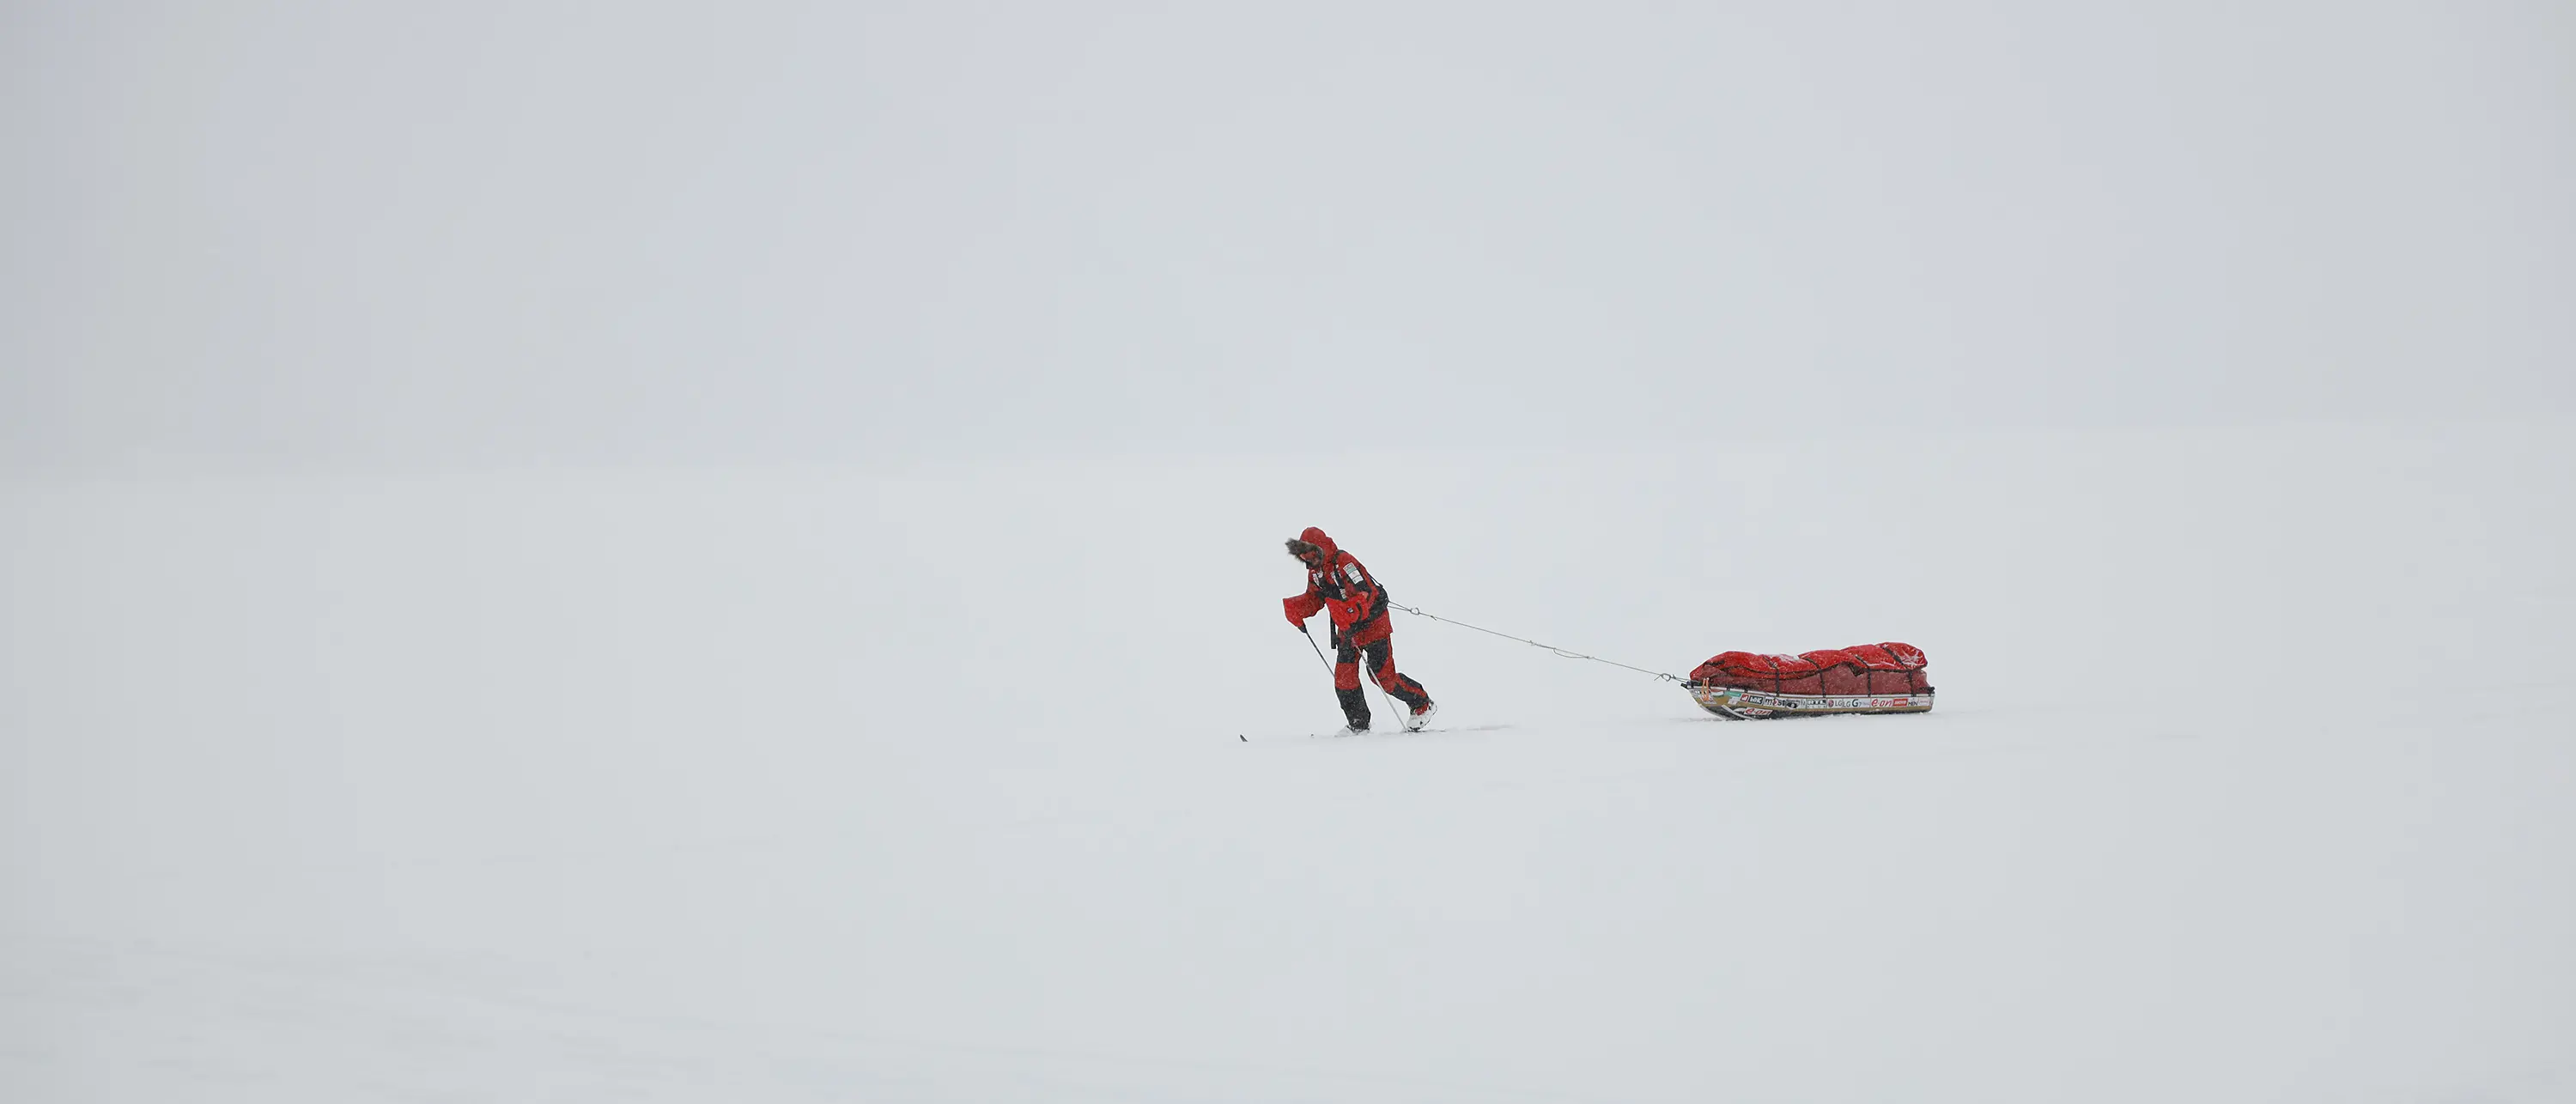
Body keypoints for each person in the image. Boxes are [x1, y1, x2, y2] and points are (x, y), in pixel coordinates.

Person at [1283, 526, 1436, 733]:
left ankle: (1422, 704)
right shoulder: (1315, 574)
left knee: (1383, 677)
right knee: (1344, 678)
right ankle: (1359, 724)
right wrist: (1297, 608)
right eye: (1304, 557)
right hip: (1347, 630)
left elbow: (1368, 592)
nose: (1309, 560)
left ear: (1321, 548)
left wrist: (1352, 610)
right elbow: (1315, 599)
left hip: (1374, 626)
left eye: (1311, 554)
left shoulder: (1344, 563)